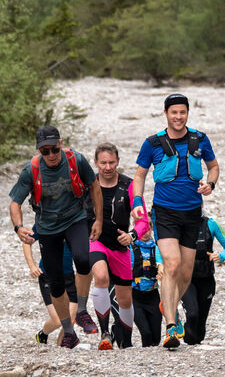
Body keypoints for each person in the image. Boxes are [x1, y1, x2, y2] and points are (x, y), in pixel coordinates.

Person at [132, 93, 219, 348]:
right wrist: (138, 203)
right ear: (166, 114)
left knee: (185, 272)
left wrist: (210, 184)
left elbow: (214, 167)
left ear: (187, 114)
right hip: (165, 212)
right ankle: (170, 326)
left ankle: (167, 302)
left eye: (182, 112)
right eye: (174, 113)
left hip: (192, 213)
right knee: (171, 264)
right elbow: (139, 177)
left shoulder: (200, 139)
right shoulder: (153, 143)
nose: (178, 117)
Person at [9, 125, 103, 349]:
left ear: (60, 143)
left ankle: (81, 310)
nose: (51, 155)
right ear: (39, 151)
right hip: (48, 227)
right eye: (45, 151)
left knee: (82, 258)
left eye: (54, 149)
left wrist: (98, 219)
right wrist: (18, 227)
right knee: (56, 285)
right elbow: (15, 203)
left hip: (75, 219)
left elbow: (94, 187)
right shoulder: (31, 169)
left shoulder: (76, 160)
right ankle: (69, 332)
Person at [89, 142, 149, 350]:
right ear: (96, 163)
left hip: (120, 246)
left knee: (125, 300)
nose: (107, 167)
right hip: (95, 242)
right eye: (103, 163)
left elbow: (143, 221)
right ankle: (104, 333)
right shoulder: (89, 185)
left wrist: (132, 235)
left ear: (118, 162)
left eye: (111, 162)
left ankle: (125, 340)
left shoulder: (129, 185)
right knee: (102, 277)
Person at [110, 214, 164, 347]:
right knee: (146, 334)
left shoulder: (156, 247)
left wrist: (161, 269)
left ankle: (116, 329)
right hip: (135, 296)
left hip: (153, 296)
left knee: (156, 339)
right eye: (143, 228)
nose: (146, 231)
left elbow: (159, 261)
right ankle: (118, 330)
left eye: (149, 227)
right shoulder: (129, 248)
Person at [181, 212, 225, 345]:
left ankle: (194, 349)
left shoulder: (211, 223)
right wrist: (161, 264)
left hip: (206, 278)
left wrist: (220, 257)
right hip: (186, 279)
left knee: (201, 324)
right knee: (192, 315)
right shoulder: (178, 223)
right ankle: (187, 339)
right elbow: (161, 245)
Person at [22, 225, 78, 346]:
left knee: (71, 320)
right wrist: (32, 266)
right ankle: (42, 334)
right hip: (48, 274)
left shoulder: (76, 220)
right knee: (58, 320)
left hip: (68, 275)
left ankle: (62, 351)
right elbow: (26, 242)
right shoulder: (46, 219)